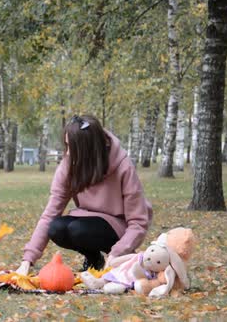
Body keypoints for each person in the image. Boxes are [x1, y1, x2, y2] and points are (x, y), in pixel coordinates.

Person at [16, 115, 153, 275]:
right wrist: (28, 260)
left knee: (78, 229)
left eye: (72, 147)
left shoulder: (123, 166)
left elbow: (138, 222)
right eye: (66, 146)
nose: (67, 153)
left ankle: (116, 259)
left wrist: (117, 253)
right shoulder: (68, 165)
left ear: (88, 148)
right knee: (57, 227)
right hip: (87, 221)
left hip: (118, 226)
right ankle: (94, 259)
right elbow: (49, 214)